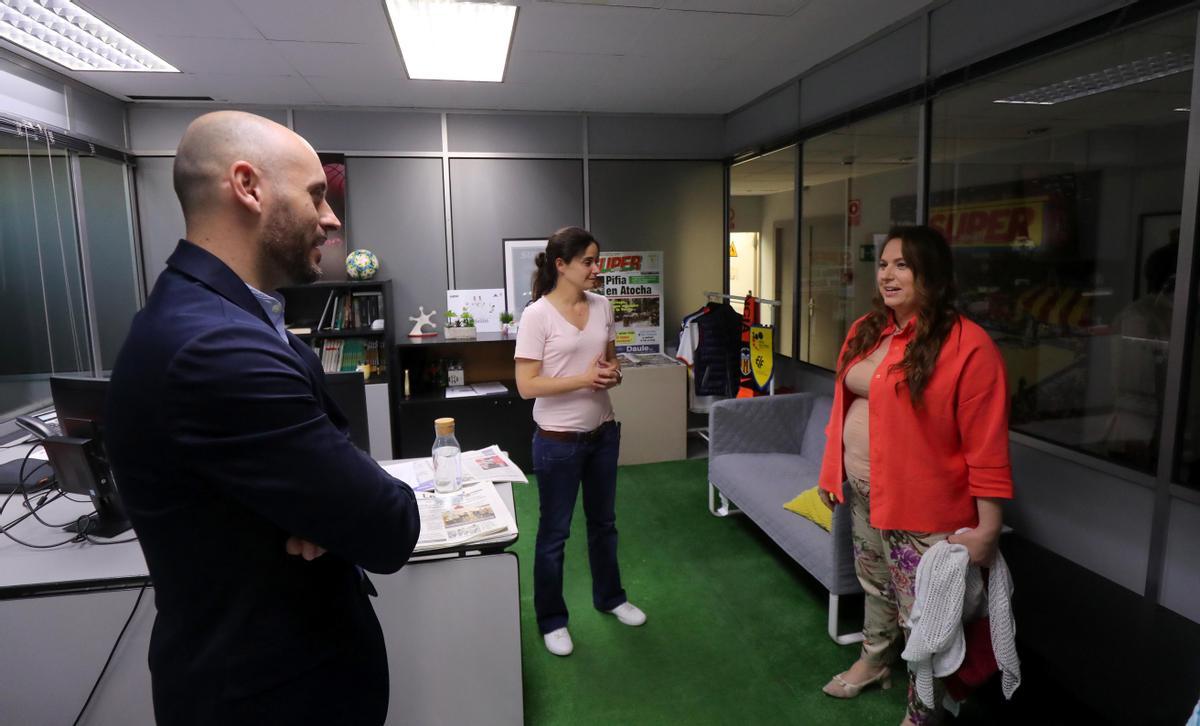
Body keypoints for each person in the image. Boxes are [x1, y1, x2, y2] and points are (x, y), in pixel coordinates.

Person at [105, 111, 421, 725]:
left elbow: (338, 479)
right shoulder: (217, 349)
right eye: (316, 196)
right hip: (270, 697)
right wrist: (338, 504)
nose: (331, 221)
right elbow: (389, 525)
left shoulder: (219, 319)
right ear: (247, 187)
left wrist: (328, 499)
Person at [816, 225, 1014, 726]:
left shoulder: (968, 346)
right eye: (883, 264)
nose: (888, 274)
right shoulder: (867, 328)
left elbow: (986, 445)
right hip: (862, 491)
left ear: (933, 274)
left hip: (924, 509)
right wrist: (831, 472)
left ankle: (926, 707)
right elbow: (842, 408)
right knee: (874, 585)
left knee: (924, 615)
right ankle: (874, 661)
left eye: (902, 265)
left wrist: (988, 527)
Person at [513, 226, 646, 657]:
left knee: (603, 524)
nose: (596, 269)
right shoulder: (537, 315)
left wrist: (611, 374)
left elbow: (611, 364)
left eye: (597, 260)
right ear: (561, 265)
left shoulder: (603, 305)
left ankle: (611, 597)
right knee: (554, 533)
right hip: (557, 442)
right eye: (588, 261)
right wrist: (585, 378)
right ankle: (552, 619)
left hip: (603, 434)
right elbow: (526, 386)